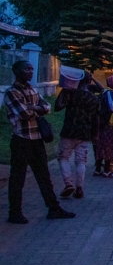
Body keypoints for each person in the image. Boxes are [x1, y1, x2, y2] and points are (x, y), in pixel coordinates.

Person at [3, 60, 75, 223]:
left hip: (37, 139)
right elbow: (24, 114)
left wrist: (33, 107)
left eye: (31, 69)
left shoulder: (32, 89)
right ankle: (14, 212)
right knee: (18, 178)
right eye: (26, 69)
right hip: (22, 139)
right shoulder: (11, 92)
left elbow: (47, 107)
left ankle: (53, 208)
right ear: (16, 71)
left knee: (44, 176)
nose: (30, 72)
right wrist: (37, 109)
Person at [54, 71, 99, 199]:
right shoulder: (93, 98)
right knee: (81, 161)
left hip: (69, 130)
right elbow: (96, 118)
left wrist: (64, 90)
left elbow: (57, 107)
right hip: (85, 132)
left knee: (63, 157)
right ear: (89, 82)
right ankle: (79, 188)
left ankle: (68, 183)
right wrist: (95, 134)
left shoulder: (71, 93)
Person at [94, 75, 113, 177]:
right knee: (108, 146)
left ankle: (99, 169)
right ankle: (107, 170)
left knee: (103, 145)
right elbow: (112, 107)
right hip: (110, 124)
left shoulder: (111, 92)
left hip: (111, 123)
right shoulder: (109, 93)